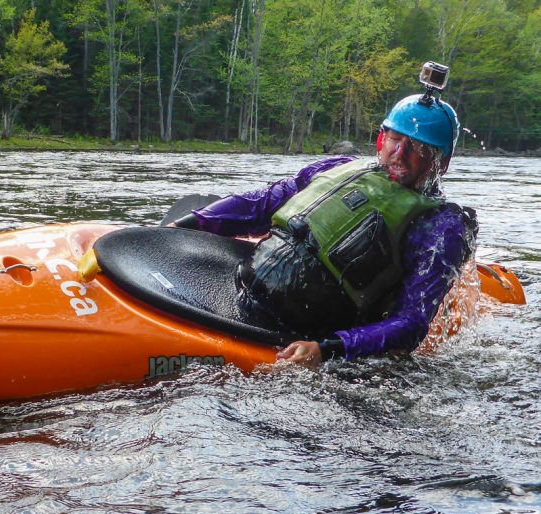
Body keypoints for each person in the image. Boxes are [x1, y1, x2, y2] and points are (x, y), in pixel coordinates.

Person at [172, 89, 477, 366]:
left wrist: (327, 349)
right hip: (245, 286)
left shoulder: (441, 229)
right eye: (396, 140)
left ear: (441, 162)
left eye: (417, 147)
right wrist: (193, 222)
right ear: (381, 140)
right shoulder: (338, 167)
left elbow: (412, 323)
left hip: (312, 333)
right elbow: (262, 203)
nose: (400, 153)